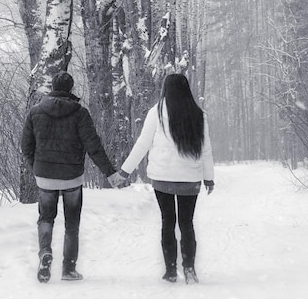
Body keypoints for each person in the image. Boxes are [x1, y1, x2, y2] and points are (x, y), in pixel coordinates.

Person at [21, 71, 124, 283]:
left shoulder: (35, 112)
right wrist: (110, 173)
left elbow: (26, 146)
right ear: (70, 88)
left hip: (45, 177)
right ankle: (68, 268)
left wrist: (37, 168)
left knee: (46, 218)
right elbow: (94, 147)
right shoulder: (80, 113)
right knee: (72, 224)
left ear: (52, 87)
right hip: (72, 178)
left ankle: (45, 252)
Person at [117, 73, 214, 284]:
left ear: (166, 89)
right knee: (186, 223)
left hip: (163, 178)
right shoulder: (198, 114)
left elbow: (143, 143)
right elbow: (205, 150)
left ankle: (170, 270)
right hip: (190, 178)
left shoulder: (157, 111)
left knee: (167, 222)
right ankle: (189, 268)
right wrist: (208, 178)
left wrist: (125, 171)